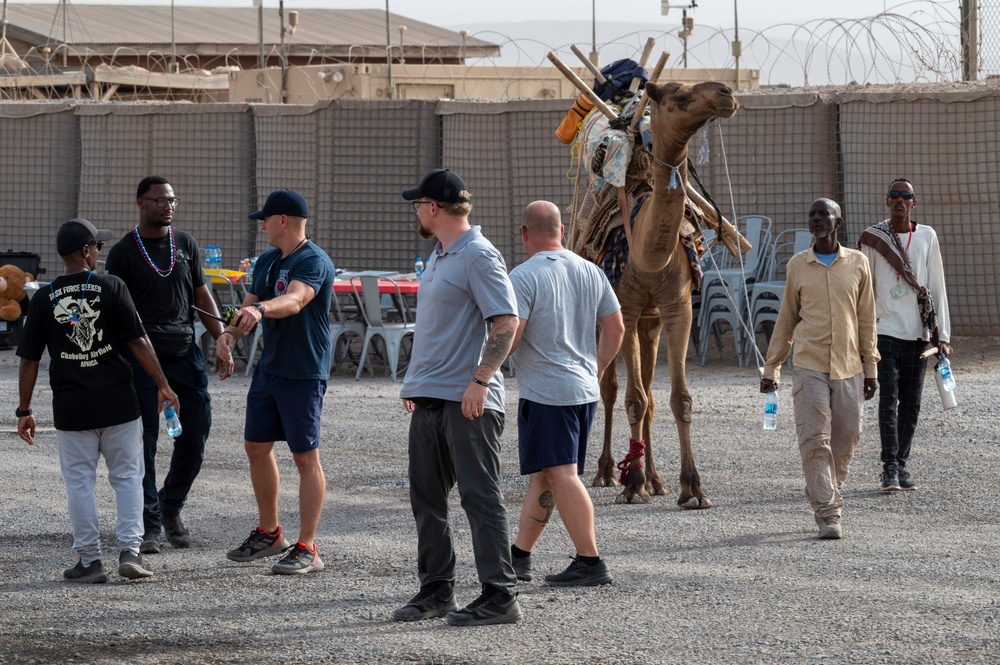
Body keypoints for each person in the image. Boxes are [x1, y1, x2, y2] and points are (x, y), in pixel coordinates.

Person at [16, 218, 179, 583]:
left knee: (79, 484)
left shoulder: (43, 298)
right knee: (127, 478)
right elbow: (139, 340)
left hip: (73, 409)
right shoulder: (111, 286)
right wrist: (164, 386)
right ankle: (131, 552)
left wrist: (25, 410)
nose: (99, 253)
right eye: (98, 247)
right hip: (119, 403)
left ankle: (90, 561)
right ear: (87, 251)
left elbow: (29, 360)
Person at [393, 168, 523, 627]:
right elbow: (438, 330)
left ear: (433, 208)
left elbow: (506, 322)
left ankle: (499, 595)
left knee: (479, 496)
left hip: (469, 400)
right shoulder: (440, 254)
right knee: (426, 499)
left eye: (417, 205)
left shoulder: (479, 256)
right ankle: (435, 590)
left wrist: (482, 380)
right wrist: (417, 383)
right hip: (431, 397)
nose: (416, 212)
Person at [106, 176, 230, 555]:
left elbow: (201, 295)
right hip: (142, 358)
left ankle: (171, 505)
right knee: (143, 443)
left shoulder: (186, 244)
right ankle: (149, 524)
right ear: (140, 203)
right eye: (160, 200)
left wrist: (222, 339)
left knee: (194, 436)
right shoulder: (123, 252)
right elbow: (114, 314)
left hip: (184, 354)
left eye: (173, 200)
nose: (169, 206)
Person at [507, 201, 624, 586]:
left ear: (525, 233)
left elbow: (513, 331)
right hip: (582, 390)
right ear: (563, 229)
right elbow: (616, 327)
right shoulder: (591, 270)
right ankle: (519, 557)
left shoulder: (523, 276)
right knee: (545, 476)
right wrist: (600, 367)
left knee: (561, 475)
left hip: (547, 392)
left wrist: (483, 370)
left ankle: (590, 561)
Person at [218, 189, 335, 575]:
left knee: (305, 457)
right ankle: (270, 533)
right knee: (255, 446)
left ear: (282, 220)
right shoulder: (268, 260)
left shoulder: (313, 260)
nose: (262, 226)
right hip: (271, 369)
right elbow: (248, 306)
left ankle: (308, 546)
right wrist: (229, 336)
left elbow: (296, 300)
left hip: (304, 370)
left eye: (265, 219)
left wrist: (260, 309)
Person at [759, 198, 879, 540]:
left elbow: (867, 318)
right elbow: (786, 319)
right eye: (812, 214)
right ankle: (828, 512)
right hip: (809, 365)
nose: (816, 219)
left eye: (823, 213)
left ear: (837, 222)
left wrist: (871, 367)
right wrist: (772, 369)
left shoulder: (858, 264)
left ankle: (824, 486)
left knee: (847, 437)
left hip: (850, 366)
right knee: (814, 439)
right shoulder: (798, 265)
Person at [858, 178, 951, 492]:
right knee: (888, 400)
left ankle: (902, 465)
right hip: (883, 331)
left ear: (914, 203)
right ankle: (889, 469)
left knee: (911, 404)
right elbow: (864, 289)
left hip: (918, 334)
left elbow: (936, 285)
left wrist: (942, 335)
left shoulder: (927, 236)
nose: (900, 200)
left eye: (906, 196)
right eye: (894, 195)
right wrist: (863, 333)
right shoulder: (873, 239)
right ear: (887, 202)